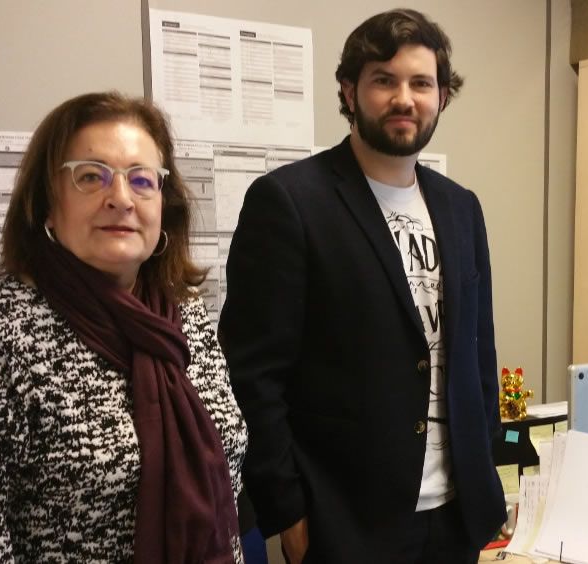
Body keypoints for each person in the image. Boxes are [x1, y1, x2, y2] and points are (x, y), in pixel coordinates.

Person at [219, 9, 504, 563]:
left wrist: (487, 464)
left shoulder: (461, 207)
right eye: (383, 80)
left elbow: (478, 349)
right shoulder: (290, 202)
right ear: (350, 92)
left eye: (421, 83)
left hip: (456, 516)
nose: (404, 98)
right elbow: (253, 375)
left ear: (442, 96)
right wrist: (287, 509)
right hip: (348, 522)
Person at [0, 92, 247, 563]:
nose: (121, 199)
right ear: (47, 205)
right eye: (91, 176)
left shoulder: (184, 316)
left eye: (141, 179)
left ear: (163, 204)